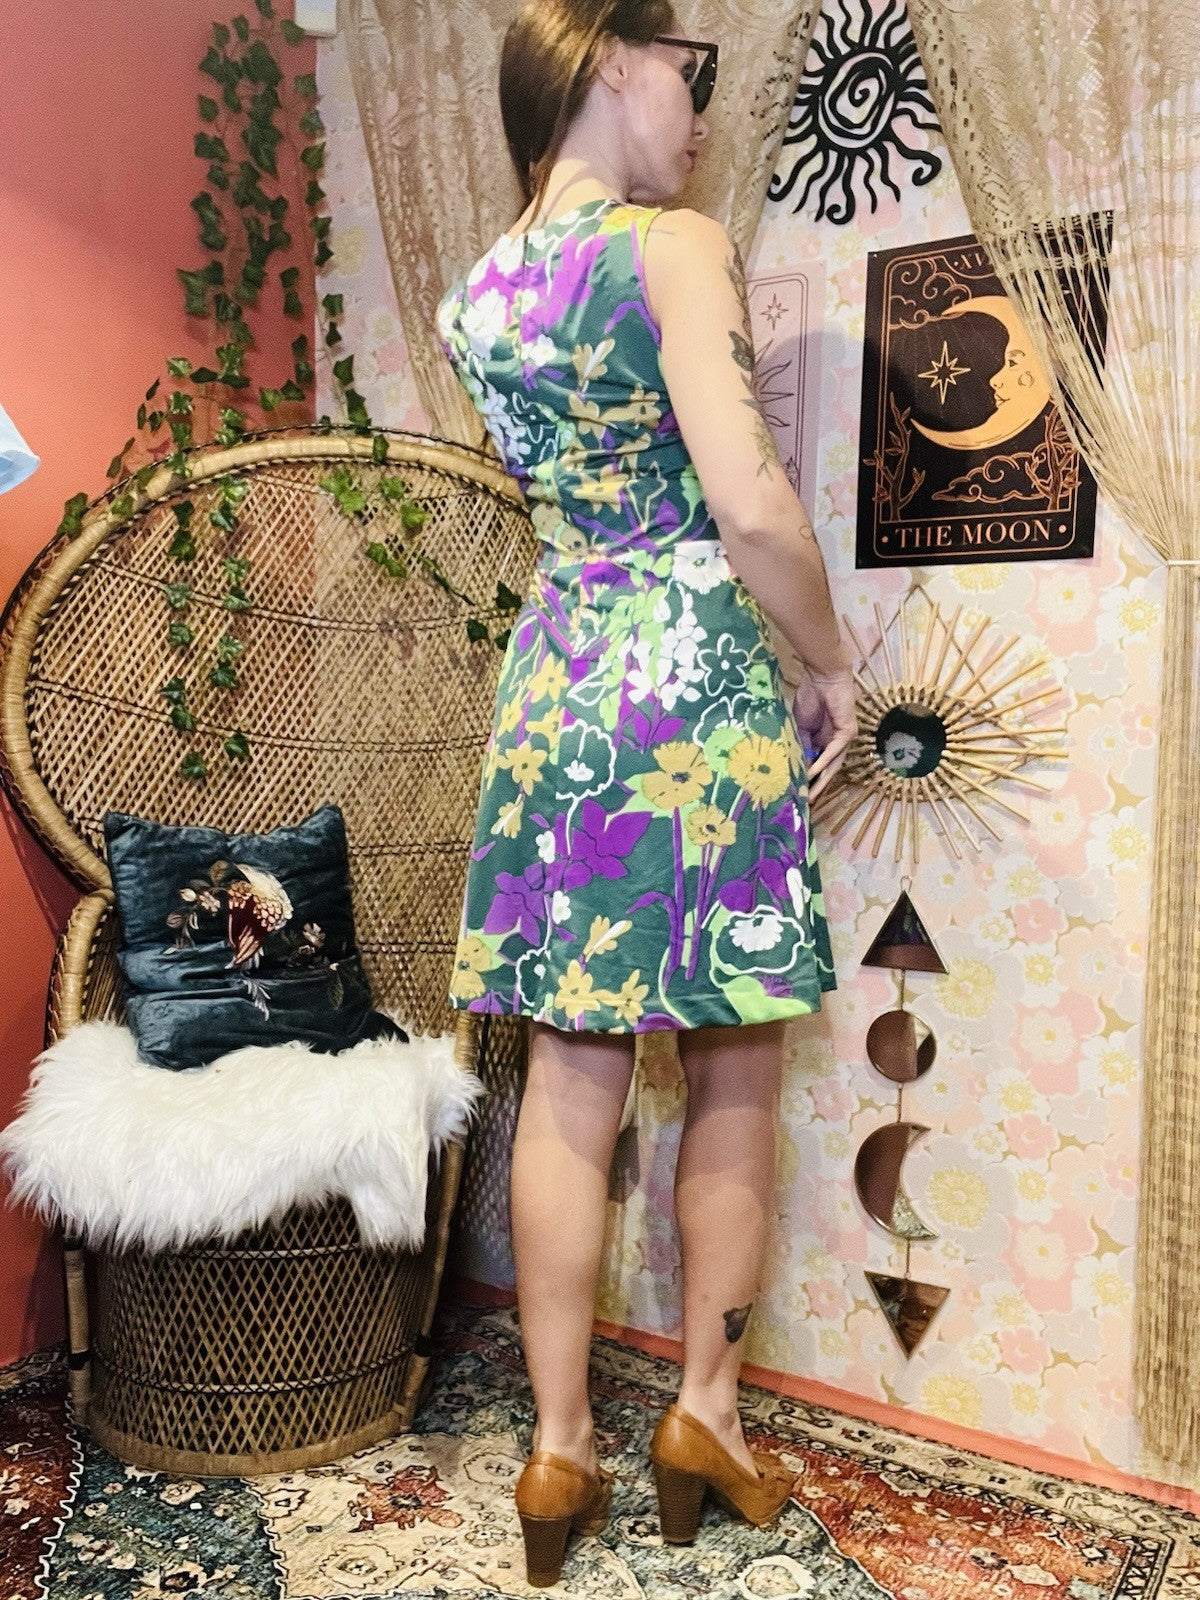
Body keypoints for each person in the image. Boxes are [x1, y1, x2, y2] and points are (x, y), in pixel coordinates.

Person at [436, 1, 857, 1584]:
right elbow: (748, 507)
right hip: (687, 683)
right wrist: (831, 660)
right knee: (733, 1063)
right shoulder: (670, 247)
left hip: (557, 687)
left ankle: (558, 1447)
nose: (699, 106)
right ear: (615, 55)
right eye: (692, 69)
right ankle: (707, 1416)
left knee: (570, 1074)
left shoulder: (478, 293)